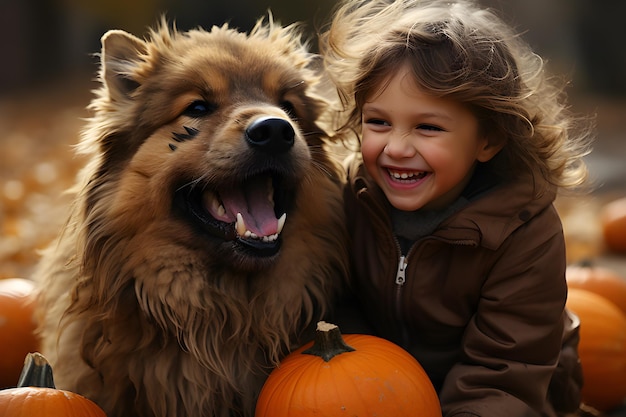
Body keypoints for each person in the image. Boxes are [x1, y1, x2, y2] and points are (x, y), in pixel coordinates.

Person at [320, 0, 594, 416]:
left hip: (504, 396)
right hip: (389, 387)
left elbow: (507, 368)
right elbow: (340, 306)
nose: (396, 147)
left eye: (427, 127)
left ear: (489, 140)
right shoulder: (352, 198)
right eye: (378, 122)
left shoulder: (524, 232)